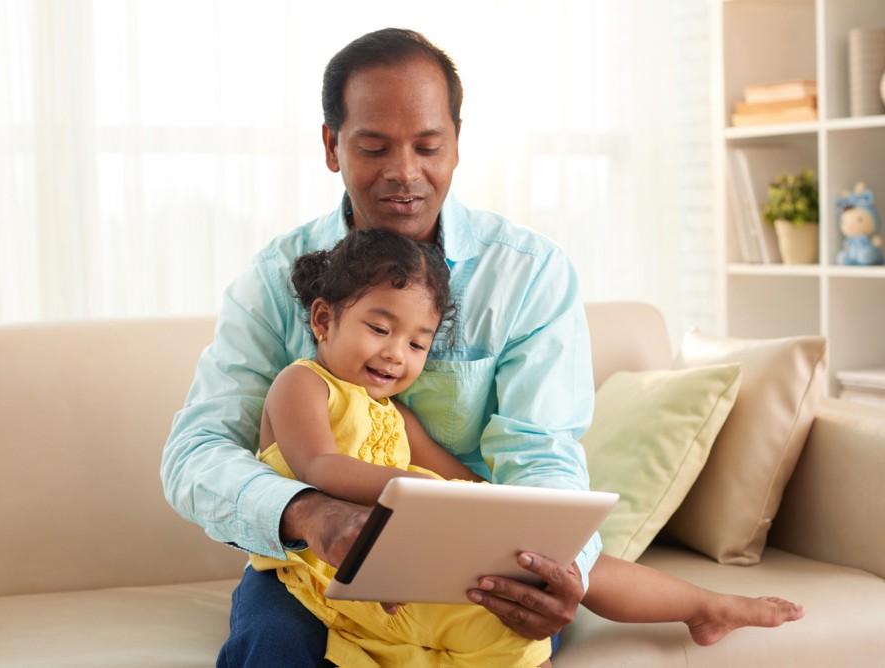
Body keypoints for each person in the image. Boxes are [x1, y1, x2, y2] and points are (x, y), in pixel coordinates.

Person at [159, 28, 796, 666]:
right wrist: (308, 513)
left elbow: (540, 454)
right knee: (273, 648)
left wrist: (554, 559)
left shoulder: (529, 274)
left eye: (429, 146)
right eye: (374, 147)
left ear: (458, 144)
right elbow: (196, 452)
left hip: (475, 562)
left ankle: (699, 606)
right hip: (316, 563)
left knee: (517, 633)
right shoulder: (274, 281)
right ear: (332, 145)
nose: (405, 173)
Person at [248, 227, 803, 667]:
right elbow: (318, 466)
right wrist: (410, 488)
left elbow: (466, 484)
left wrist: (511, 518)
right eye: (379, 328)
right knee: (496, 625)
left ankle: (707, 607)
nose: (397, 354)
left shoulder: (396, 414)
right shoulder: (302, 384)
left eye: (417, 342)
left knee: (556, 563)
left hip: (413, 543)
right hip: (333, 562)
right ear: (324, 319)